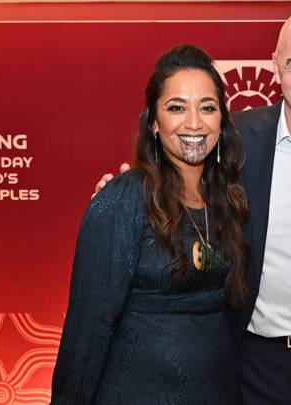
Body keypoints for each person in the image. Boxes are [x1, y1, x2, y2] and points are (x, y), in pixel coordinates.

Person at [94, 8, 291, 405]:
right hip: (247, 362)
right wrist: (127, 192)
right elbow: (174, 177)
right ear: (275, 67)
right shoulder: (231, 138)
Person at [51, 44, 247, 404]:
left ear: (222, 120)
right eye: (176, 108)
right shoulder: (124, 200)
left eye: (207, 107)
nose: (193, 122)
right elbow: (87, 331)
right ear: (154, 123)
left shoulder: (228, 201)